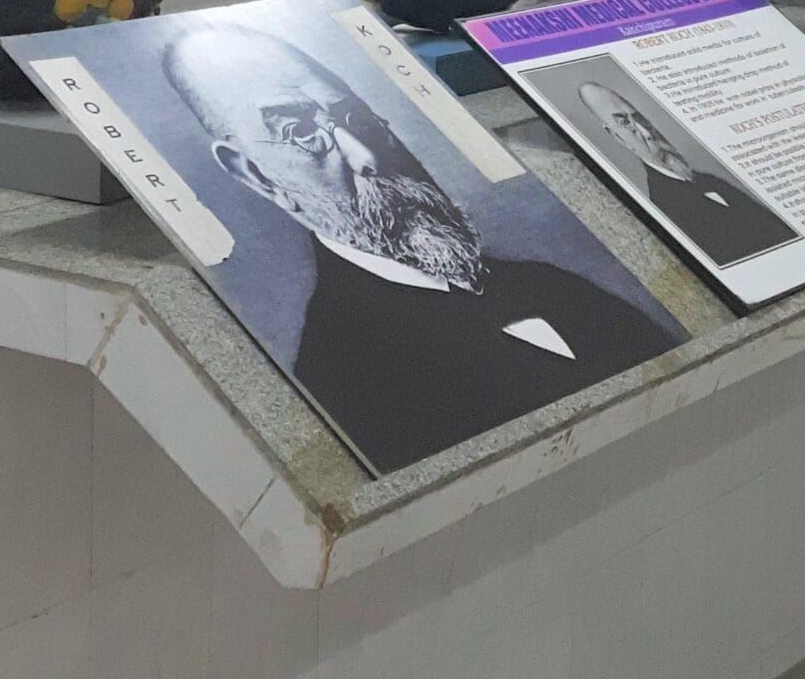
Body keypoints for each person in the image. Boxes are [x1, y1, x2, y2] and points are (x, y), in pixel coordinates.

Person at [160, 25, 673, 472]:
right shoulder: (342, 374)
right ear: (256, 175)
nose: (367, 157)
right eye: (300, 133)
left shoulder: (544, 282)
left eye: (355, 118)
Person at [573, 77, 796, 269]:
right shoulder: (667, 205)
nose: (646, 132)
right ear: (615, 136)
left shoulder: (706, 179)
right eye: (625, 124)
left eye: (637, 117)